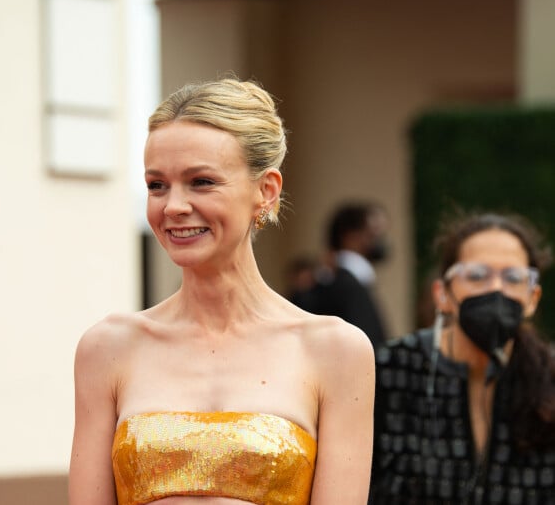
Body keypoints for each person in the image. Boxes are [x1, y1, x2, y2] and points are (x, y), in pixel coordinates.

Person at [69, 77, 375, 505]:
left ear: (266, 191)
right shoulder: (107, 348)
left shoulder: (336, 350)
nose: (173, 206)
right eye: (157, 185)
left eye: (201, 182)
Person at [369, 211, 555, 504]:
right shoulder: (387, 371)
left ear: (532, 297)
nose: (496, 289)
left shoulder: (549, 379)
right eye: (477, 275)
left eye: (513, 277)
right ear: (442, 294)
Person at [300, 202, 389, 348]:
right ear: (350, 236)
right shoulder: (346, 286)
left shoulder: (339, 280)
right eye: (371, 233)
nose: (378, 240)